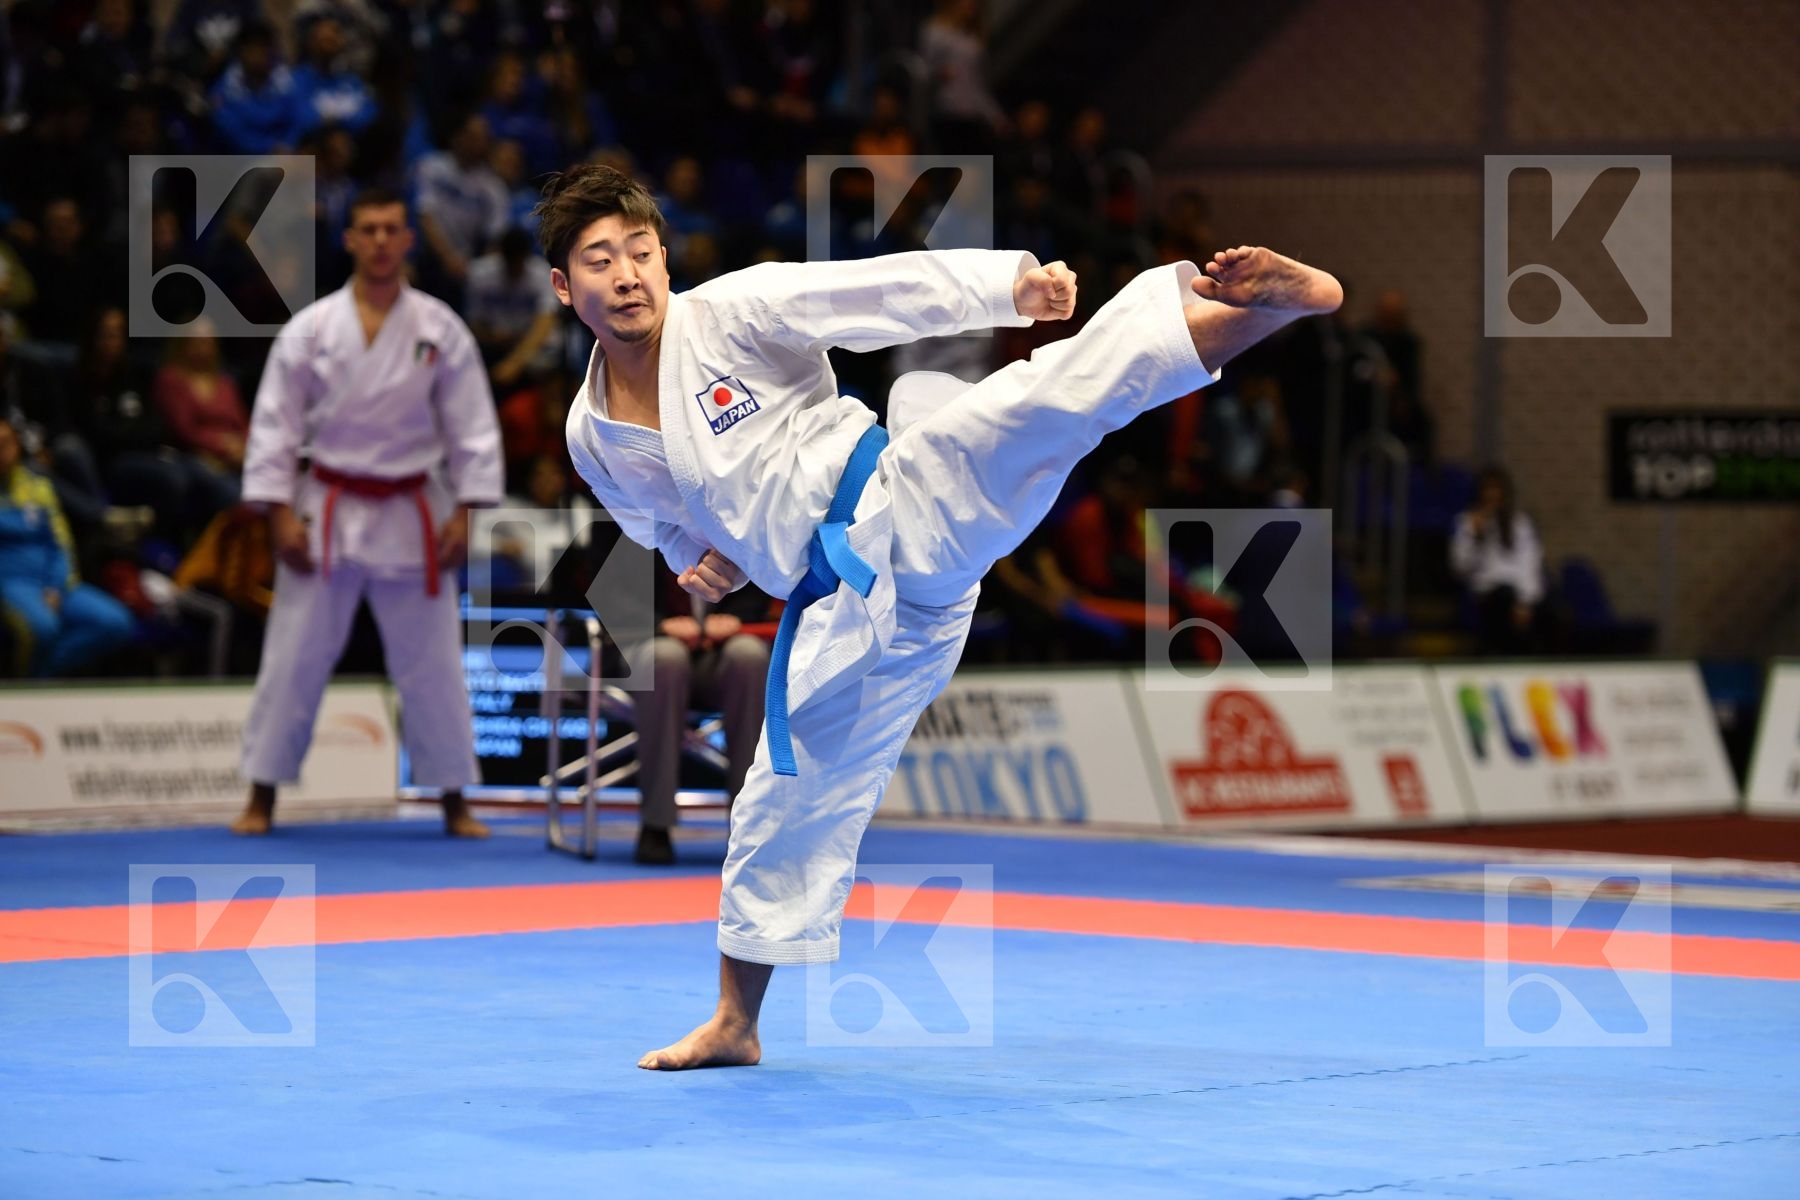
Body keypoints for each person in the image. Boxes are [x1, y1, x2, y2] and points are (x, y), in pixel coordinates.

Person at [543, 164, 1340, 1069]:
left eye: (641, 253)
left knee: (1043, 404)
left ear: (664, 259)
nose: (628, 275)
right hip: (844, 613)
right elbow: (657, 518)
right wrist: (696, 557)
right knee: (777, 802)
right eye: (601, 261)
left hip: (896, 498)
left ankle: (1270, 308)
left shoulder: (732, 312)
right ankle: (736, 1023)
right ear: (567, 287)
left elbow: (877, 292)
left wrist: (1011, 286)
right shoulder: (590, 432)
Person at [233, 188, 503, 837]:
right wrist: (276, 513)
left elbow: (471, 428)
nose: (380, 241)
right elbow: (275, 425)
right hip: (324, 505)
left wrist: (467, 511)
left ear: (408, 239)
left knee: (433, 660)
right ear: (349, 240)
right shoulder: (312, 329)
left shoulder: (440, 328)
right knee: (293, 655)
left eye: (391, 229)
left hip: (413, 508)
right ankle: (261, 794)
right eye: (368, 230)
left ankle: (453, 797)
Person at [635, 558, 772, 866]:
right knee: (665, 658)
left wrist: (736, 619)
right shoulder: (627, 513)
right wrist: (658, 625)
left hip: (724, 648)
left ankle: (749, 829)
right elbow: (611, 589)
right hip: (648, 647)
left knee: (749, 656)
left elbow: (764, 566)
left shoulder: (734, 511)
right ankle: (655, 824)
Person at [0, 415, 135, 676]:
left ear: (16, 446)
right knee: (44, 627)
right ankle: (20, 694)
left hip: (53, 582)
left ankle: (41, 679)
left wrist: (56, 586)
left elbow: (61, 542)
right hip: (11, 583)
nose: (0, 452)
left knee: (116, 622)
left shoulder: (37, 486)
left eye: (5, 443)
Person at [1450, 465, 1545, 655]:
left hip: (1516, 594)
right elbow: (1460, 567)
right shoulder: (1466, 522)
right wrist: (1474, 536)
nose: (1492, 495)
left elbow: (1529, 563)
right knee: (1501, 602)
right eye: (1488, 489)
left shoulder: (1519, 523)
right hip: (1485, 594)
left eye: (1497, 489)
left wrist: (1525, 601)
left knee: (1552, 612)